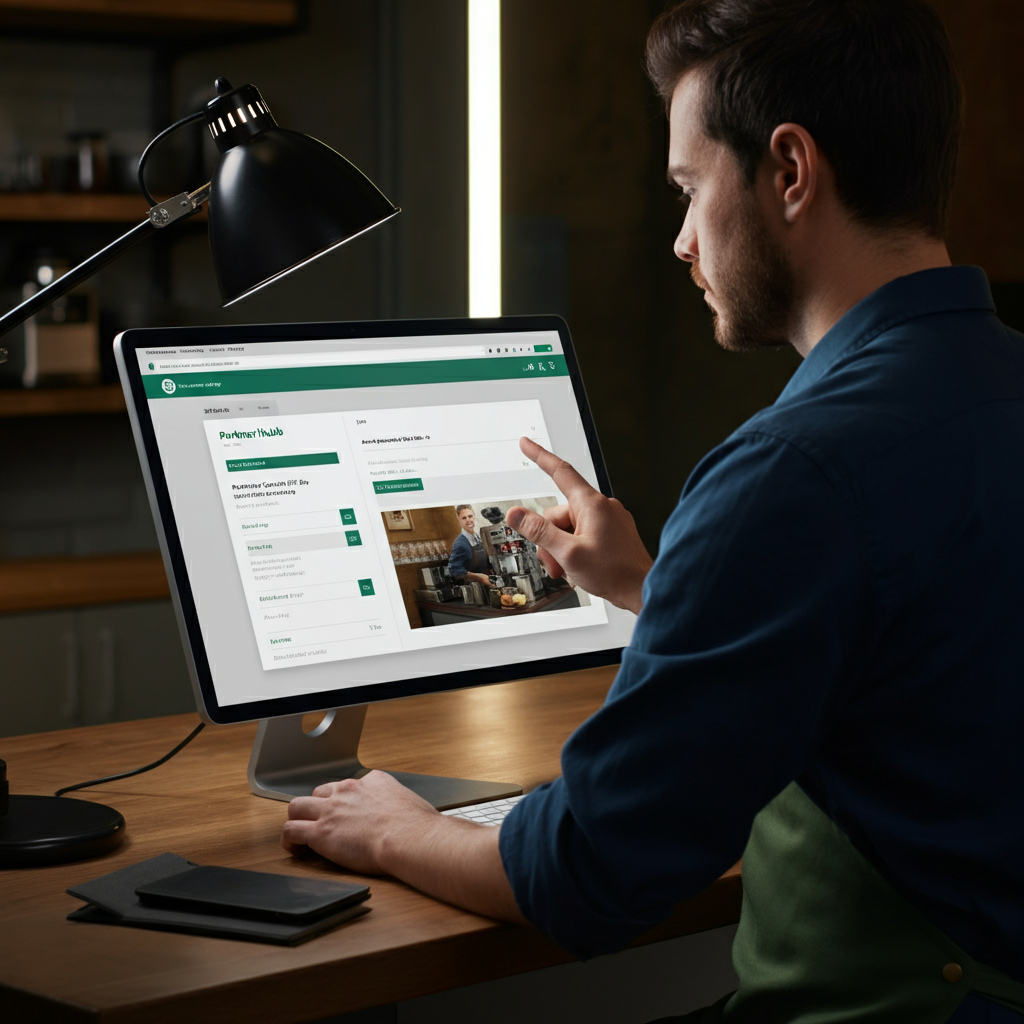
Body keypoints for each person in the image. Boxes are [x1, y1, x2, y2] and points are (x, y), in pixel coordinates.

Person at [281, 2, 1023, 1020]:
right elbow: (927, 652)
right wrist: (656, 587)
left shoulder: (792, 470)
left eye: (688, 189)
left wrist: (398, 829)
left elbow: (589, 871)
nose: (680, 241)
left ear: (789, 170)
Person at [446, 504, 492, 587]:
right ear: (459, 520)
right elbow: (454, 570)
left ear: (474, 517)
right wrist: (479, 577)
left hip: (488, 584)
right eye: (464, 518)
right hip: (476, 589)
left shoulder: (478, 537)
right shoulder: (460, 543)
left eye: (470, 516)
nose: (468, 520)